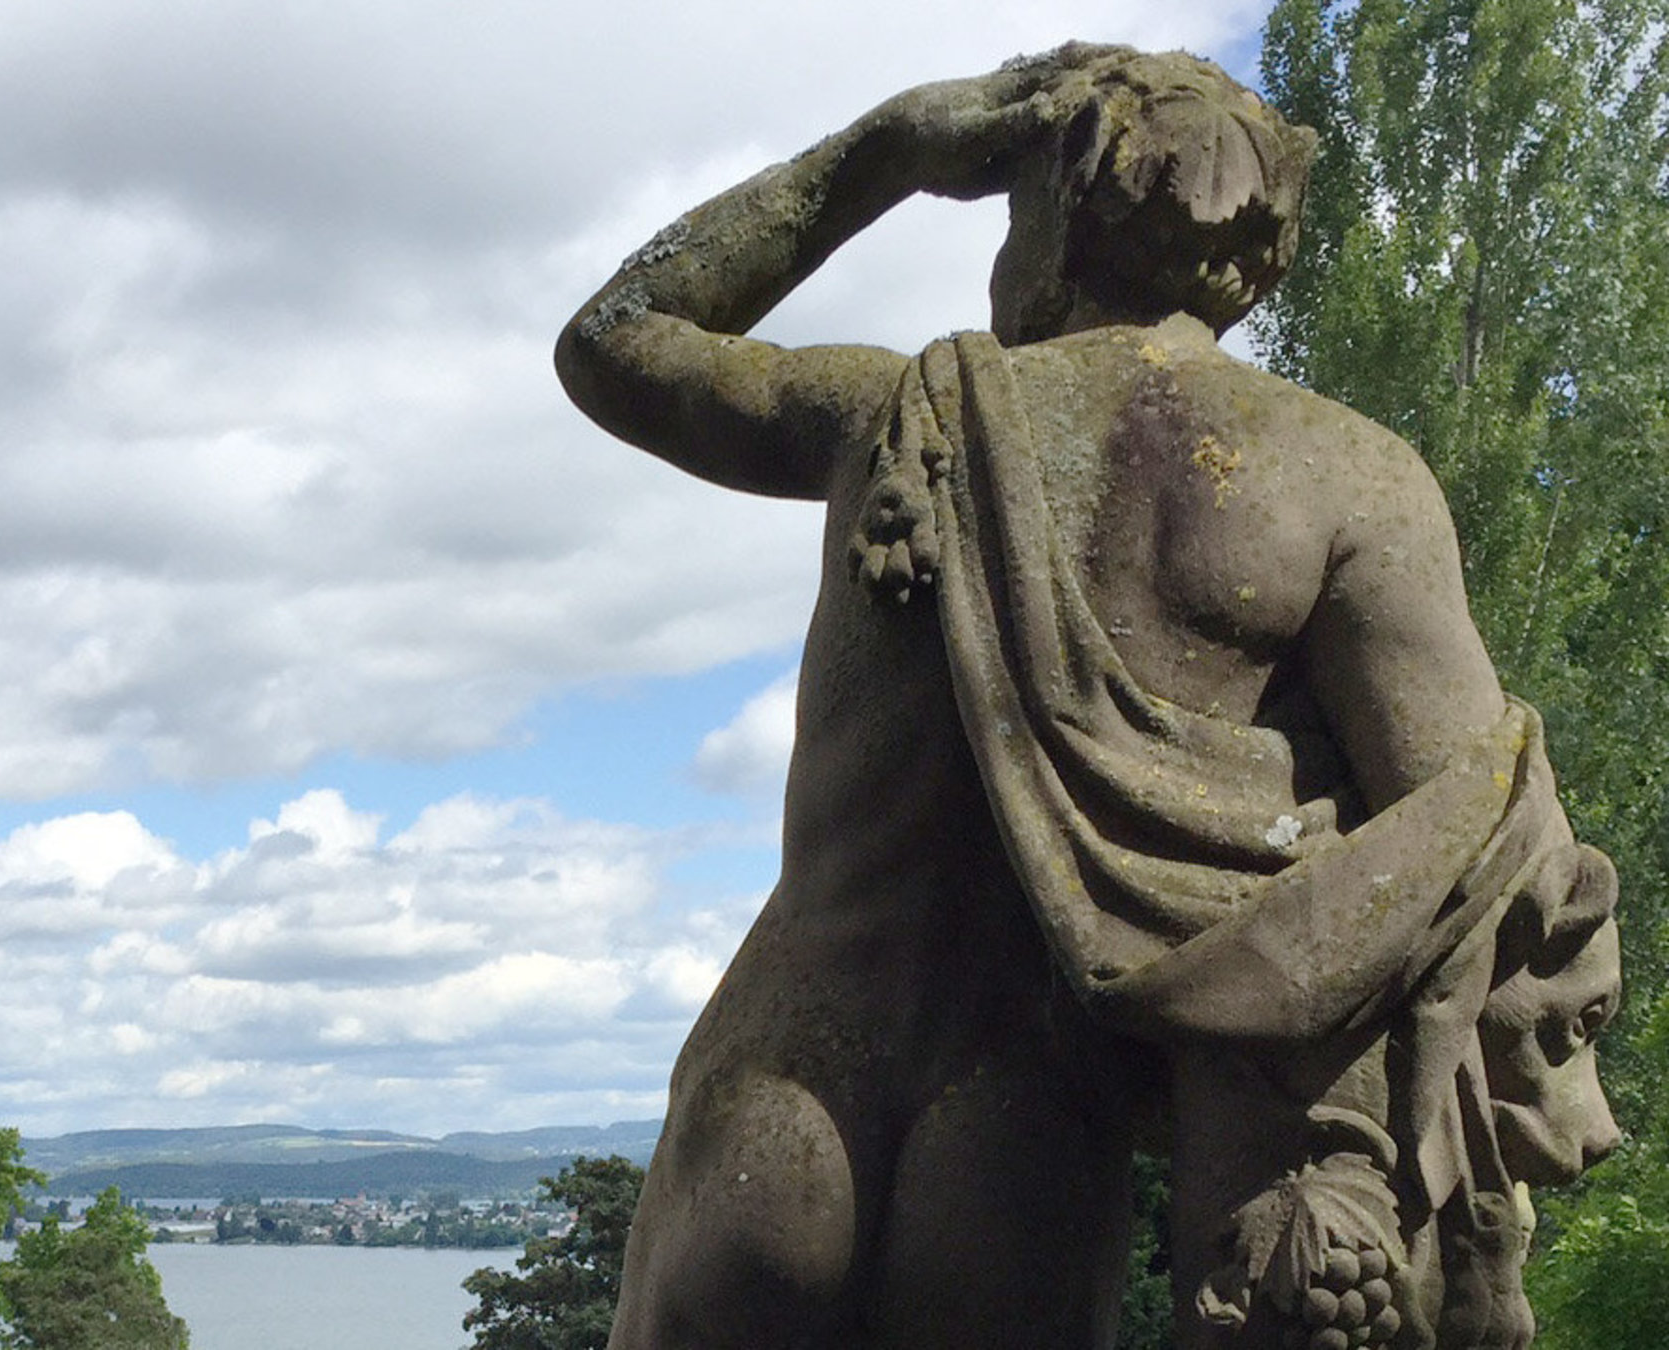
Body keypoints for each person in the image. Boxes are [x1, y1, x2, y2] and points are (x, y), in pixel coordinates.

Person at [557, 46, 1620, 1350]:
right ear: (1261, 254)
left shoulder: (894, 412)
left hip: (784, 1088)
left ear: (1048, 218)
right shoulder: (1353, 480)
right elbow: (1482, 843)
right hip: (1016, 1131)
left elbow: (614, 341)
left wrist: (888, 151)